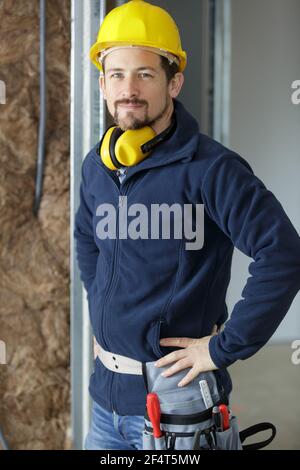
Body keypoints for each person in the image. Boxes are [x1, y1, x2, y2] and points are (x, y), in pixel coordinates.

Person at [74, 0, 300, 450]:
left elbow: (283, 255)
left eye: (145, 74)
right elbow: (87, 240)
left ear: (174, 82)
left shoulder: (213, 169)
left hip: (176, 408)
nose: (128, 89)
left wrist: (221, 349)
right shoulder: (96, 168)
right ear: (102, 83)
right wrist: (103, 310)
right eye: (116, 74)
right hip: (105, 403)